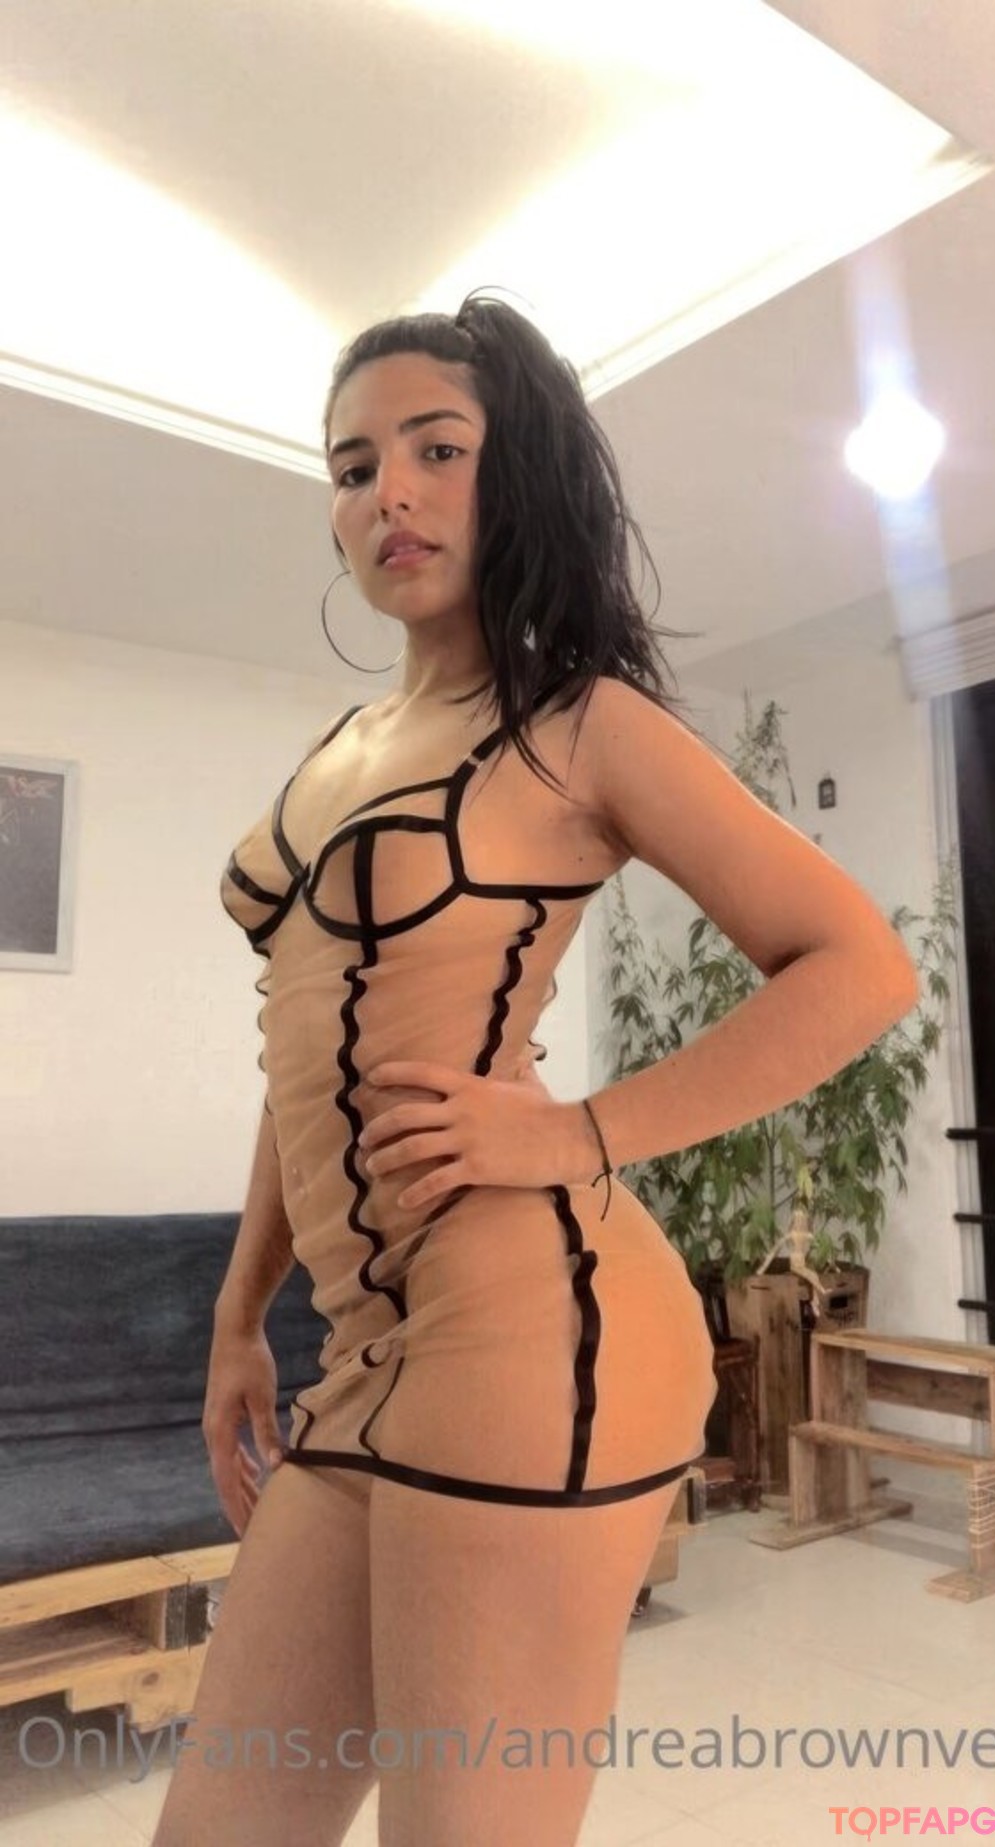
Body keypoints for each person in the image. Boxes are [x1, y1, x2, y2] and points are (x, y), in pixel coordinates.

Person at [152, 293, 918, 1847]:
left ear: (519, 475)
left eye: (437, 449)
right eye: (354, 466)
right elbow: (313, 1064)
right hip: (367, 1350)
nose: (391, 492)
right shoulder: (341, 749)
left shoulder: (582, 726)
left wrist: (578, 1132)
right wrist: (239, 1315)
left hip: (531, 1332)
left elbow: (859, 967)